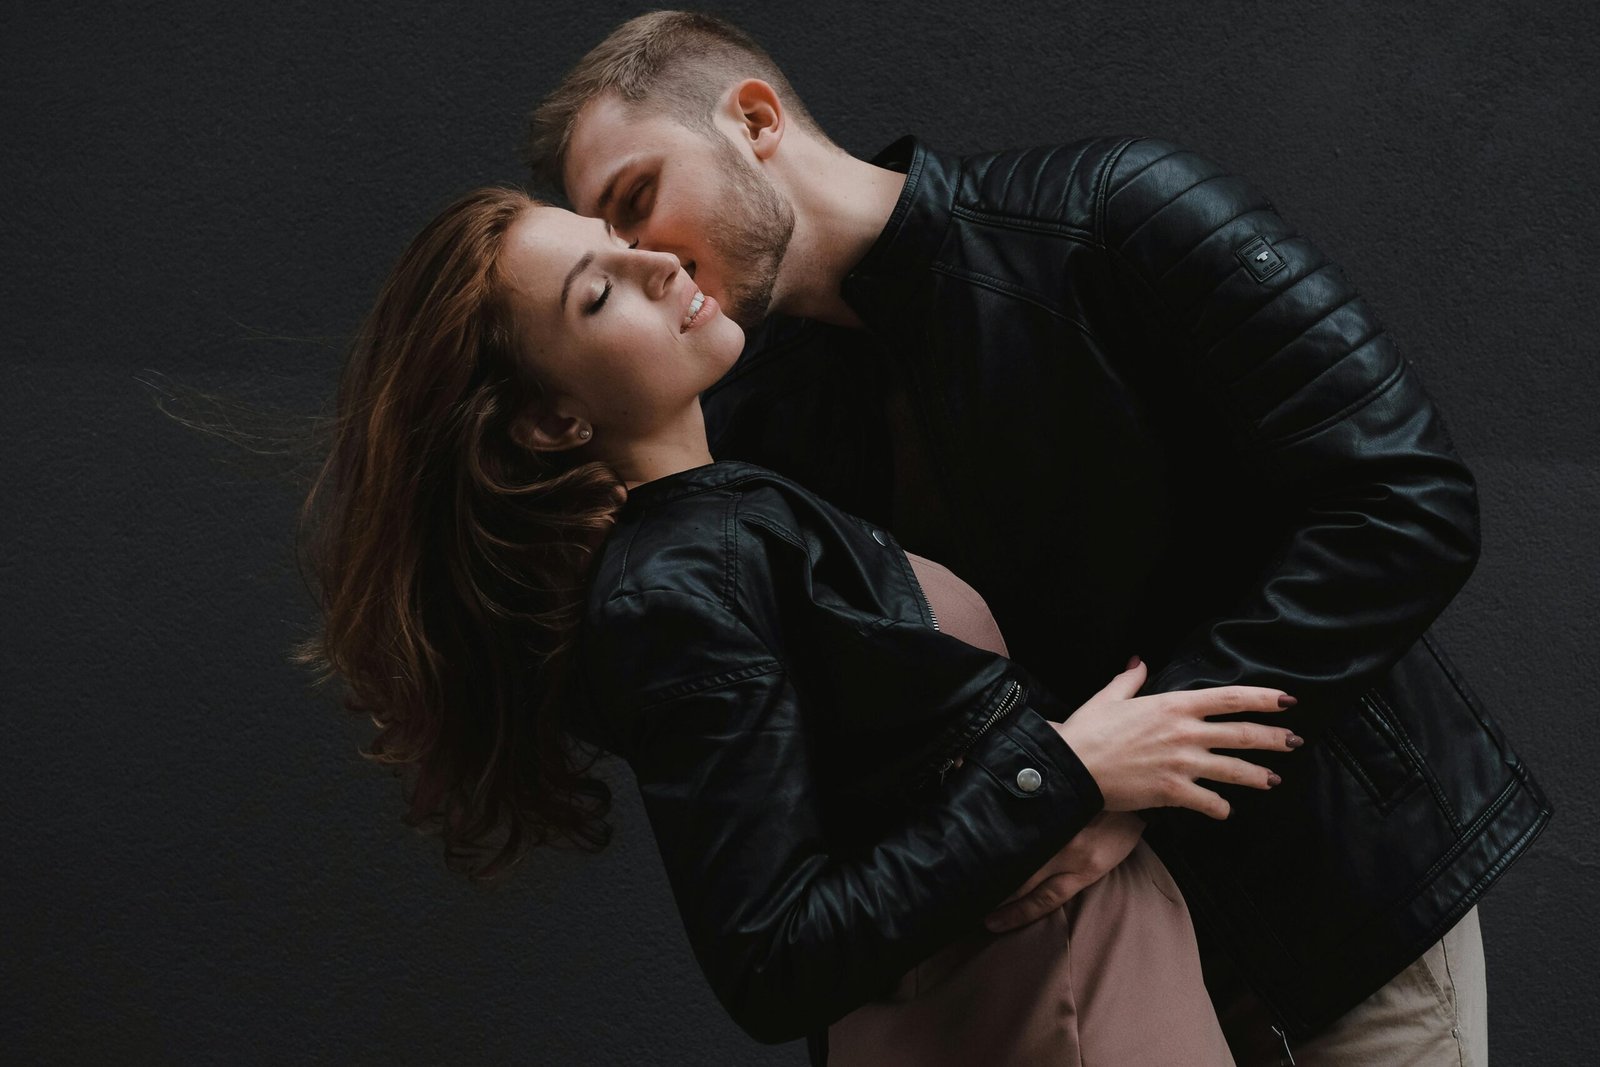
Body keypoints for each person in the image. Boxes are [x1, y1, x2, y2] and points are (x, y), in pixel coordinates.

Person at [526, 11, 1552, 1065]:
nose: (642, 257)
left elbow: (1405, 499)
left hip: (1335, 891)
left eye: (636, 199)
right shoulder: (756, 431)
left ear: (753, 119)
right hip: (1077, 970)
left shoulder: (1113, 213)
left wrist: (1131, 770)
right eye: (605, 246)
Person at [297, 186, 1313, 1065]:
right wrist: (1067, 770)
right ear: (552, 421)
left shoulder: (722, 525)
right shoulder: (674, 589)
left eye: (618, 237)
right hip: (1047, 1017)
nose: (656, 262)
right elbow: (773, 957)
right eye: (597, 293)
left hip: (1067, 994)